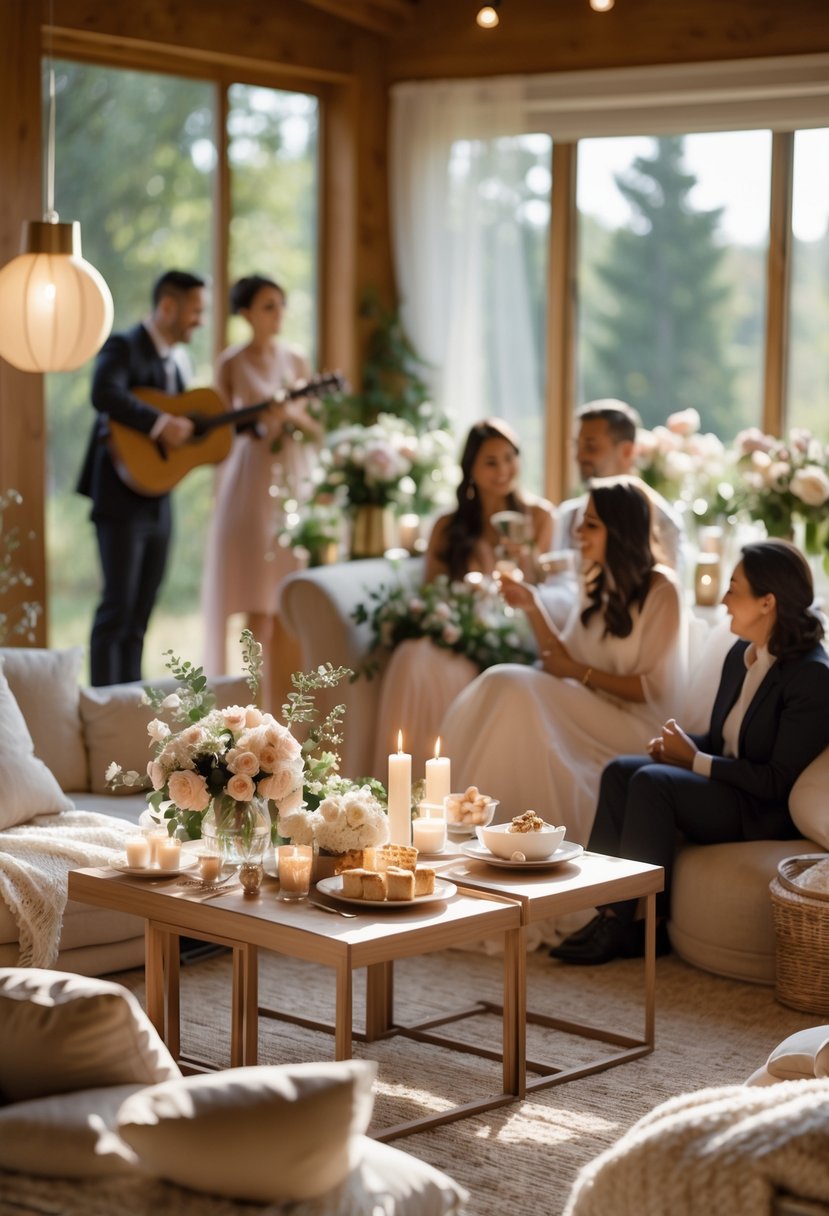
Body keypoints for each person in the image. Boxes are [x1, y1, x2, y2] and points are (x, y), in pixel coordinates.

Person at [550, 539, 829, 966]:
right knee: (620, 771)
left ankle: (637, 925)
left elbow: (775, 780)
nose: (723, 599)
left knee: (652, 783)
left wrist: (693, 761)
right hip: (731, 786)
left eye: (734, 588)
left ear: (767, 602)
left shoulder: (811, 675)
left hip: (762, 809)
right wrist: (683, 745)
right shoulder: (742, 653)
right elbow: (726, 739)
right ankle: (606, 908)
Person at [439, 476, 686, 848]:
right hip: (587, 706)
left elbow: (650, 689)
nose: (577, 531)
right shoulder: (594, 581)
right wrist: (532, 605)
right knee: (503, 685)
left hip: (635, 724)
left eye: (591, 524)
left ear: (619, 530)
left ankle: (489, 835)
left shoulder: (661, 588)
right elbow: (557, 662)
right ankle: (478, 832)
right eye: (580, 521)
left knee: (510, 684)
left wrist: (577, 673)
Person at [371, 418, 555, 778]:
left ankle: (456, 780)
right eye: (490, 461)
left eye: (509, 458)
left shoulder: (538, 517)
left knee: (433, 664)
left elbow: (546, 588)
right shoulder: (447, 526)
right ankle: (405, 779)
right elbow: (433, 592)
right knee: (411, 656)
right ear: (470, 468)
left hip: (514, 631)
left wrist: (524, 559)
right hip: (461, 628)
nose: (503, 470)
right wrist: (453, 621)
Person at [77, 269, 207, 686]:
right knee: (117, 608)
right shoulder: (125, 345)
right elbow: (104, 393)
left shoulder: (180, 362)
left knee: (141, 614)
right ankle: (101, 702)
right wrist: (158, 422)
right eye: (194, 311)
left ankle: (129, 702)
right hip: (119, 499)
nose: (200, 320)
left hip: (158, 499)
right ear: (167, 306)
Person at [202, 274, 320, 711]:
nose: (278, 314)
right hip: (250, 479)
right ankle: (249, 708)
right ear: (246, 312)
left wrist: (289, 413)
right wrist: (262, 419)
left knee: (287, 601)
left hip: (292, 479)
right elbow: (221, 431)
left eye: (280, 304)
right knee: (255, 600)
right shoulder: (231, 362)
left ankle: (288, 711)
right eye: (268, 305)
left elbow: (316, 427)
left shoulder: (298, 359)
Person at [540, 399, 683, 629]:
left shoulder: (661, 521)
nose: (579, 456)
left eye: (591, 447)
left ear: (626, 451)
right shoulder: (568, 515)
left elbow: (663, 605)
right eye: (577, 446)